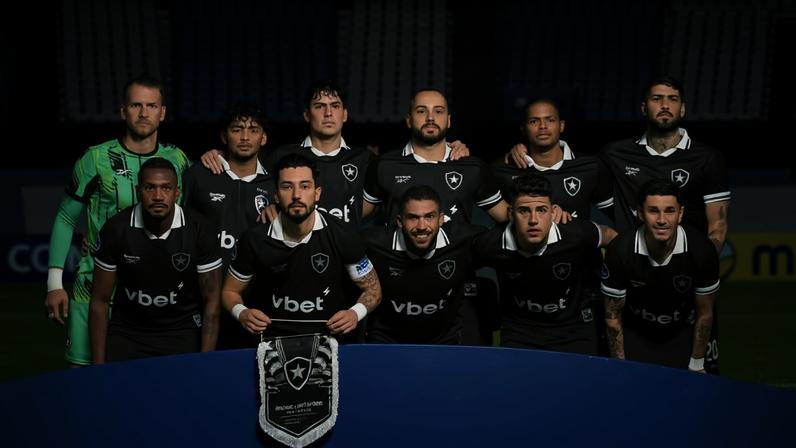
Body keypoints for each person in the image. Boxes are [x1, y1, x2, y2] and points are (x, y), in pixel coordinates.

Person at [44, 75, 191, 367]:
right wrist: (54, 283)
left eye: (151, 105)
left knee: (144, 380)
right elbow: (64, 218)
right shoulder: (95, 158)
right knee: (83, 377)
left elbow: (187, 221)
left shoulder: (178, 160)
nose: (144, 112)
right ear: (123, 110)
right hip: (93, 286)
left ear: (162, 112)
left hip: (153, 293)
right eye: (136, 104)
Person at [201, 80, 472, 229]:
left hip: (345, 263)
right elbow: (247, 175)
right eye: (320, 106)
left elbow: (383, 199)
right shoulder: (282, 156)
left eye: (335, 106)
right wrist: (218, 153)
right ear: (307, 115)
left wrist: (455, 148)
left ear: (345, 114)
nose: (328, 113)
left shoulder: (366, 161)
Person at [598, 75, 729, 373]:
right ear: (644, 107)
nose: (665, 105)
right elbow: (574, 179)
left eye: (672, 99)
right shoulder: (615, 154)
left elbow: (717, 227)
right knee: (630, 384)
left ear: (682, 109)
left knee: (700, 384)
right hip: (635, 288)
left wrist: (694, 267)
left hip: (687, 287)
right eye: (657, 99)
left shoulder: (707, 158)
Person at [363, 88, 508, 345]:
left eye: (438, 111)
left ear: (449, 120)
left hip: (456, 294)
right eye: (422, 111)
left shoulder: (471, 167)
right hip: (395, 293)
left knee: (458, 376)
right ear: (409, 120)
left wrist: (552, 212)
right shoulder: (385, 165)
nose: (430, 117)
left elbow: (508, 218)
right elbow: (353, 217)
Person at [221, 153, 381, 342]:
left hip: (330, 340)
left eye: (305, 186)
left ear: (317, 193)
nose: (296, 195)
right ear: (276, 196)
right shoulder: (255, 239)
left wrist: (355, 313)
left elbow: (373, 290)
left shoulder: (342, 235)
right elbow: (229, 292)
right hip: (273, 340)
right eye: (287, 187)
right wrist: (242, 313)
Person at [89, 158, 222, 363]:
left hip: (182, 330)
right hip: (128, 332)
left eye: (166, 188)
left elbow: (212, 301)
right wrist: (97, 366)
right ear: (137, 191)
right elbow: (99, 300)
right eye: (149, 187)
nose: (158, 196)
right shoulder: (116, 230)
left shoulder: (199, 230)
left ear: (177, 192)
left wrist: (205, 363)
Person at [473, 173, 616, 355]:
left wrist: (612, 278)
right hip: (519, 330)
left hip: (573, 327)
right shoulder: (490, 244)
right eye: (524, 211)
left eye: (541, 210)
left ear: (553, 211)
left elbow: (610, 237)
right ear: (510, 214)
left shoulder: (575, 233)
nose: (533, 220)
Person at [601, 179, 719, 371]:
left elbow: (705, 314)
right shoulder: (620, 250)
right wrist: (619, 367)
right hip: (636, 333)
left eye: (670, 211)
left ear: (680, 213)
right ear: (640, 213)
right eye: (653, 211)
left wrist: (697, 364)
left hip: (681, 333)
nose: (662, 220)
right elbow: (612, 316)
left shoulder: (702, 251)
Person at [182, 103, 273, 349]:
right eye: (236, 129)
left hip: (255, 304)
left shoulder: (276, 185)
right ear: (224, 136)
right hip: (201, 299)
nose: (245, 137)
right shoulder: (198, 176)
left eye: (253, 130)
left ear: (263, 138)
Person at [363, 186, 484, 344]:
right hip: (387, 340)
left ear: (441, 219)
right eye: (413, 217)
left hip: (444, 340)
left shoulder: (465, 240)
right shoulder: (372, 244)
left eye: (429, 217)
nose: (421, 226)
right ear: (400, 221)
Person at [499, 98, 613, 219]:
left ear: (561, 126)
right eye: (533, 121)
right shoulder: (503, 170)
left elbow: (620, 216)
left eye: (550, 120)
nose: (542, 126)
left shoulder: (591, 167)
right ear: (523, 129)